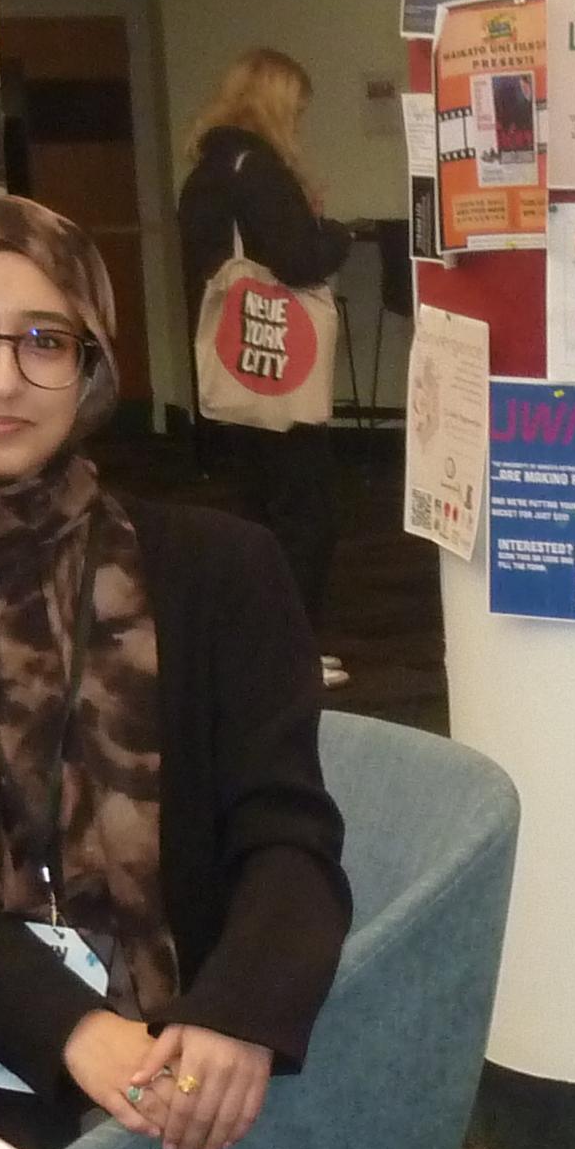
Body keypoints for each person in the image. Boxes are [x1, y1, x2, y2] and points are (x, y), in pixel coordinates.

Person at [0, 194, 347, 1149]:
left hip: (182, 1064)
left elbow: (290, 840)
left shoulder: (220, 571)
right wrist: (72, 1030)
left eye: (44, 342)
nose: (1, 379)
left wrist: (236, 1015)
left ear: (90, 365)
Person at [178, 47, 361, 683]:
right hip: (278, 364)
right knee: (307, 513)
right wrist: (337, 233)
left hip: (236, 362)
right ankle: (292, 652)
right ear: (277, 104)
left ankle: (259, 649)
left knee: (256, 510)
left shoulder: (207, 169)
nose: (301, 124)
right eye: (299, 111)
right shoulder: (259, 169)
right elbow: (298, 260)